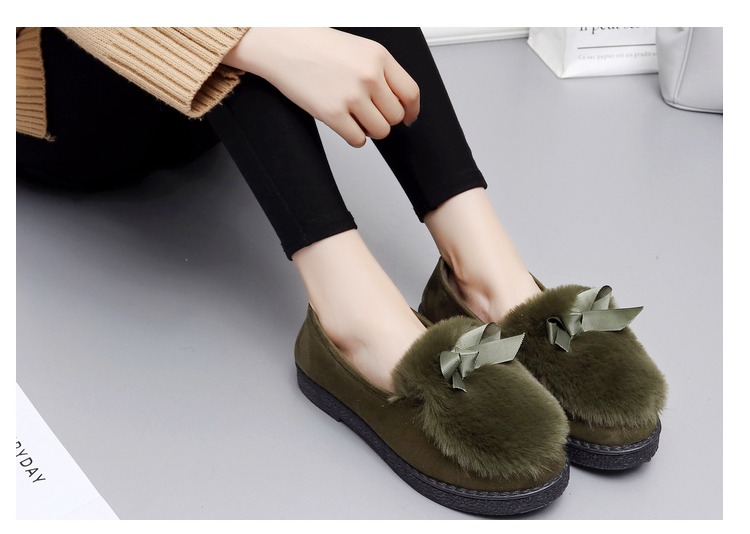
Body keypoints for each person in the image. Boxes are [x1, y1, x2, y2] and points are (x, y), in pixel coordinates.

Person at [16, 27, 666, 516]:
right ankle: (355, 321)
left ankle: (486, 274)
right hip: (69, 97)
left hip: (191, 110)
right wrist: (261, 40)